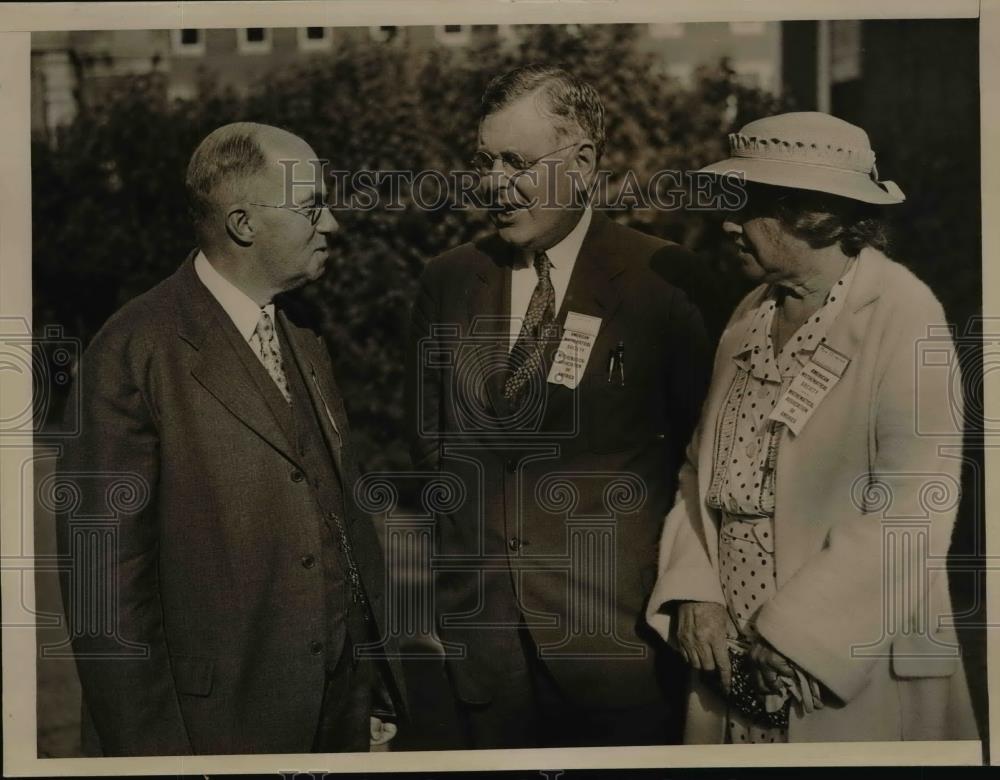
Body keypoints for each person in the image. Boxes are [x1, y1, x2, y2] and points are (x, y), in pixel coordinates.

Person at [57, 123, 404, 755]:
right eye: (310, 207)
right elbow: (104, 594)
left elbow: (340, 522)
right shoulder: (131, 351)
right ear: (243, 224)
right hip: (213, 735)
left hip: (342, 721)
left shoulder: (303, 336)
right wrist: (156, 760)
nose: (332, 225)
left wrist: (378, 682)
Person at [646, 111, 978, 743]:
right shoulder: (749, 313)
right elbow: (698, 470)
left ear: (815, 215)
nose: (730, 223)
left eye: (751, 206)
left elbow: (914, 499)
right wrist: (694, 592)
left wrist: (800, 634)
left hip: (836, 657)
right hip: (730, 653)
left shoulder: (904, 314)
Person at [405, 64, 711, 748]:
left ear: (582, 163)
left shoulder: (664, 283)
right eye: (484, 161)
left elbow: (702, 460)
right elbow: (431, 445)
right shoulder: (449, 280)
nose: (492, 183)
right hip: (482, 653)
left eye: (516, 162)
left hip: (618, 653)